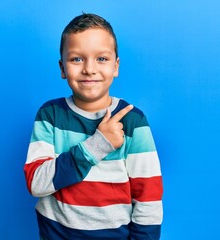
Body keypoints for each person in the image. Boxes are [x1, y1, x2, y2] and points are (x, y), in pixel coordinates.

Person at [24, 13, 163, 240]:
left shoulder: (133, 122)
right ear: (62, 68)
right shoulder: (50, 115)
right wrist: (97, 145)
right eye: (77, 59)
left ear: (116, 66)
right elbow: (36, 183)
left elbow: (148, 199)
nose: (89, 69)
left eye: (101, 59)